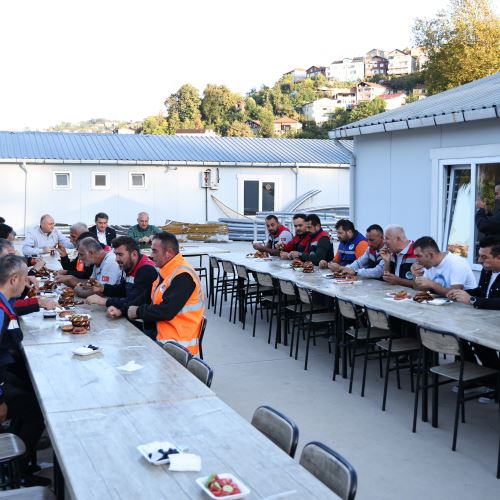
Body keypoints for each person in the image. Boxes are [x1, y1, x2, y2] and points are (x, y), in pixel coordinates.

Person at [0, 255, 49, 486]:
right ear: (14, 280)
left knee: (27, 398)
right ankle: (16, 472)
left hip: (5, 369)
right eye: (24, 279)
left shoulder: (4, 301)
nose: (26, 283)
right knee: (36, 411)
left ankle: (20, 463)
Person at [127, 232, 205, 352]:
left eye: (154, 251)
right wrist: (122, 309)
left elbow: (166, 311)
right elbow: (146, 297)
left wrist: (137, 311)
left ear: (168, 252)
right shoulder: (166, 270)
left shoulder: (183, 276)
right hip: (161, 335)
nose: (151, 256)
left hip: (176, 345)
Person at [85, 236, 158, 323]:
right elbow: (124, 290)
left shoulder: (146, 270)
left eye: (120, 255)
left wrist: (105, 301)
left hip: (147, 325)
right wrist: (103, 288)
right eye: (116, 254)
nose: (116, 259)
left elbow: (134, 301)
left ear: (134, 254)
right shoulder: (129, 265)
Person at [411, 236, 476, 295]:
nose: (416, 260)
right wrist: (415, 276)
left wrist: (432, 284)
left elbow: (455, 295)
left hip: (464, 306)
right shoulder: (428, 264)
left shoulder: (456, 263)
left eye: (418, 256)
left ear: (431, 255)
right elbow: (419, 290)